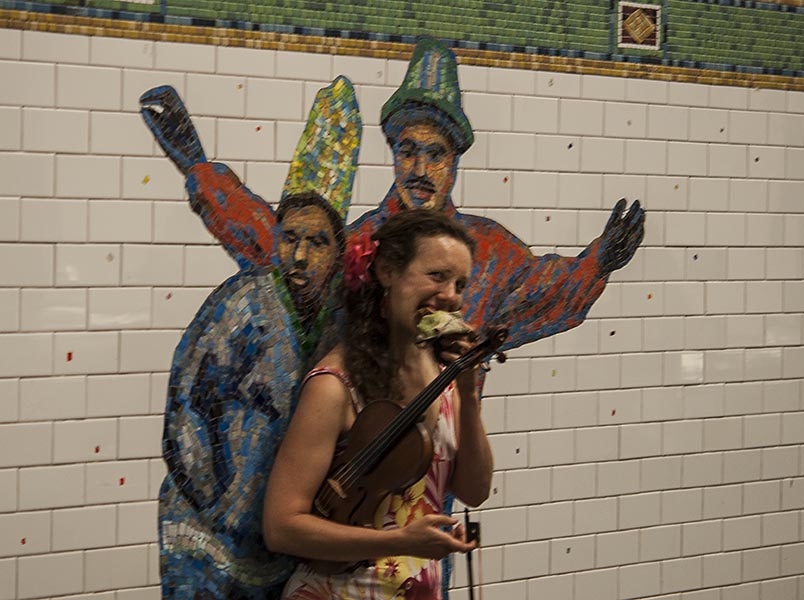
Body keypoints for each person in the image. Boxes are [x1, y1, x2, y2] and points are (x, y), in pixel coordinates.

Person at [145, 77, 362, 599]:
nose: (301, 257)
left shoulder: (341, 321)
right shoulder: (239, 304)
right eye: (289, 238)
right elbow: (188, 403)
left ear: (339, 252)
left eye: (317, 242)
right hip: (202, 538)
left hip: (278, 548)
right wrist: (215, 499)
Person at [263, 209, 492, 599]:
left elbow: (474, 490)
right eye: (436, 276)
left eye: (460, 284)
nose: (451, 296)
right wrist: (400, 541)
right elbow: (281, 528)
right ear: (387, 272)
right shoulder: (336, 384)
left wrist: (468, 394)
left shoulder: (446, 376)